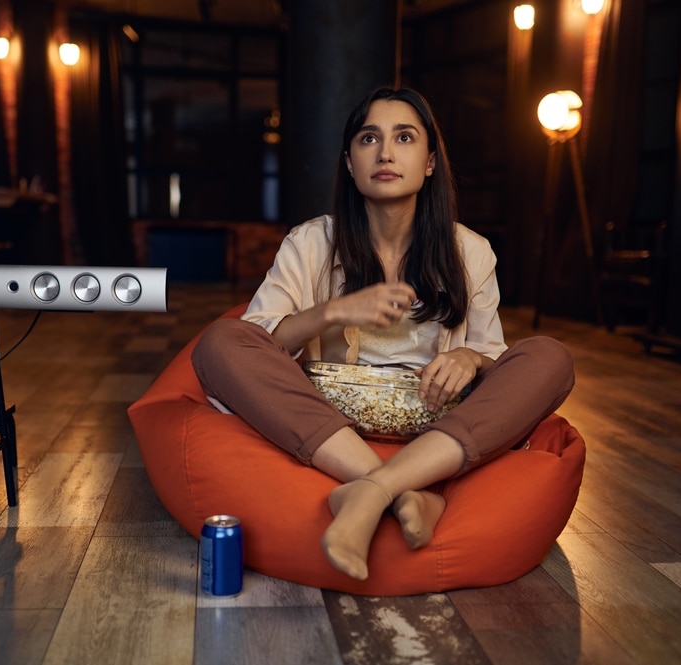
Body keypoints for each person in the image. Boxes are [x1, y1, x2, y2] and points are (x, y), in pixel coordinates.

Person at [191, 86, 575, 581]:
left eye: (405, 137)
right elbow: (258, 339)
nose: (386, 152)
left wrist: (471, 361)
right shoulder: (311, 242)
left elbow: (494, 357)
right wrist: (332, 311)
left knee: (551, 358)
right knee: (219, 343)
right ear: (350, 163)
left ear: (430, 161)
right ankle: (410, 491)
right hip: (328, 415)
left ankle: (371, 491)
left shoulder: (471, 251)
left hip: (437, 418)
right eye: (369, 138)